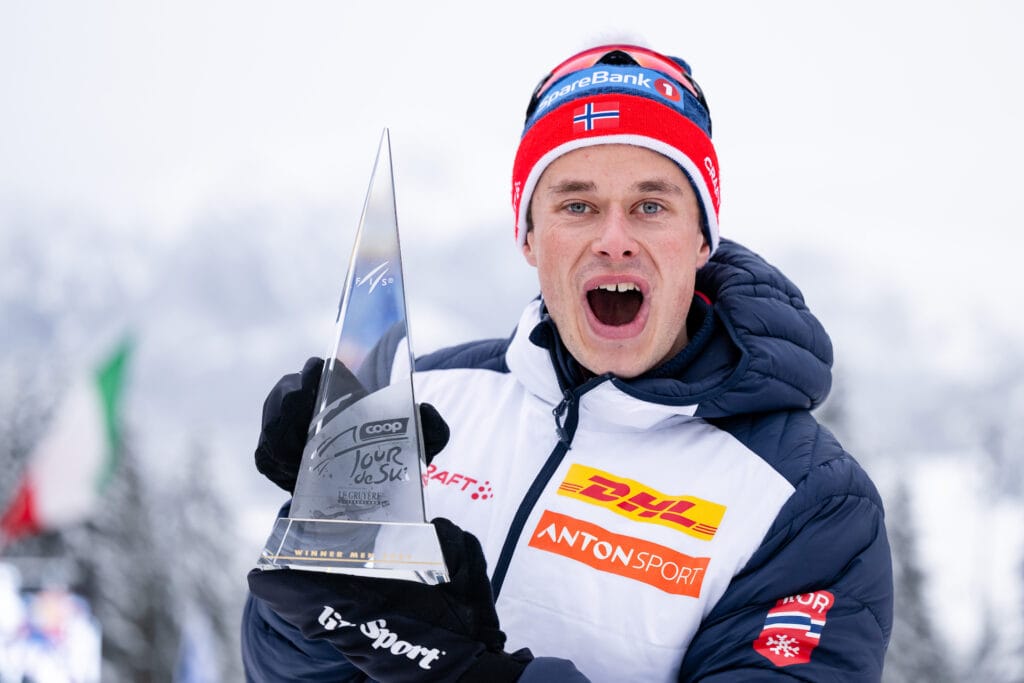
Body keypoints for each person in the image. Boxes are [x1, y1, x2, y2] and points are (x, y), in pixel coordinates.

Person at [241, 43, 894, 682]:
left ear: (702, 239)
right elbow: (285, 669)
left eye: (651, 205)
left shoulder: (808, 502)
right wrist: (325, 564)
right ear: (528, 235)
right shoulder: (430, 399)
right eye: (577, 205)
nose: (615, 240)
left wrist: (471, 672)